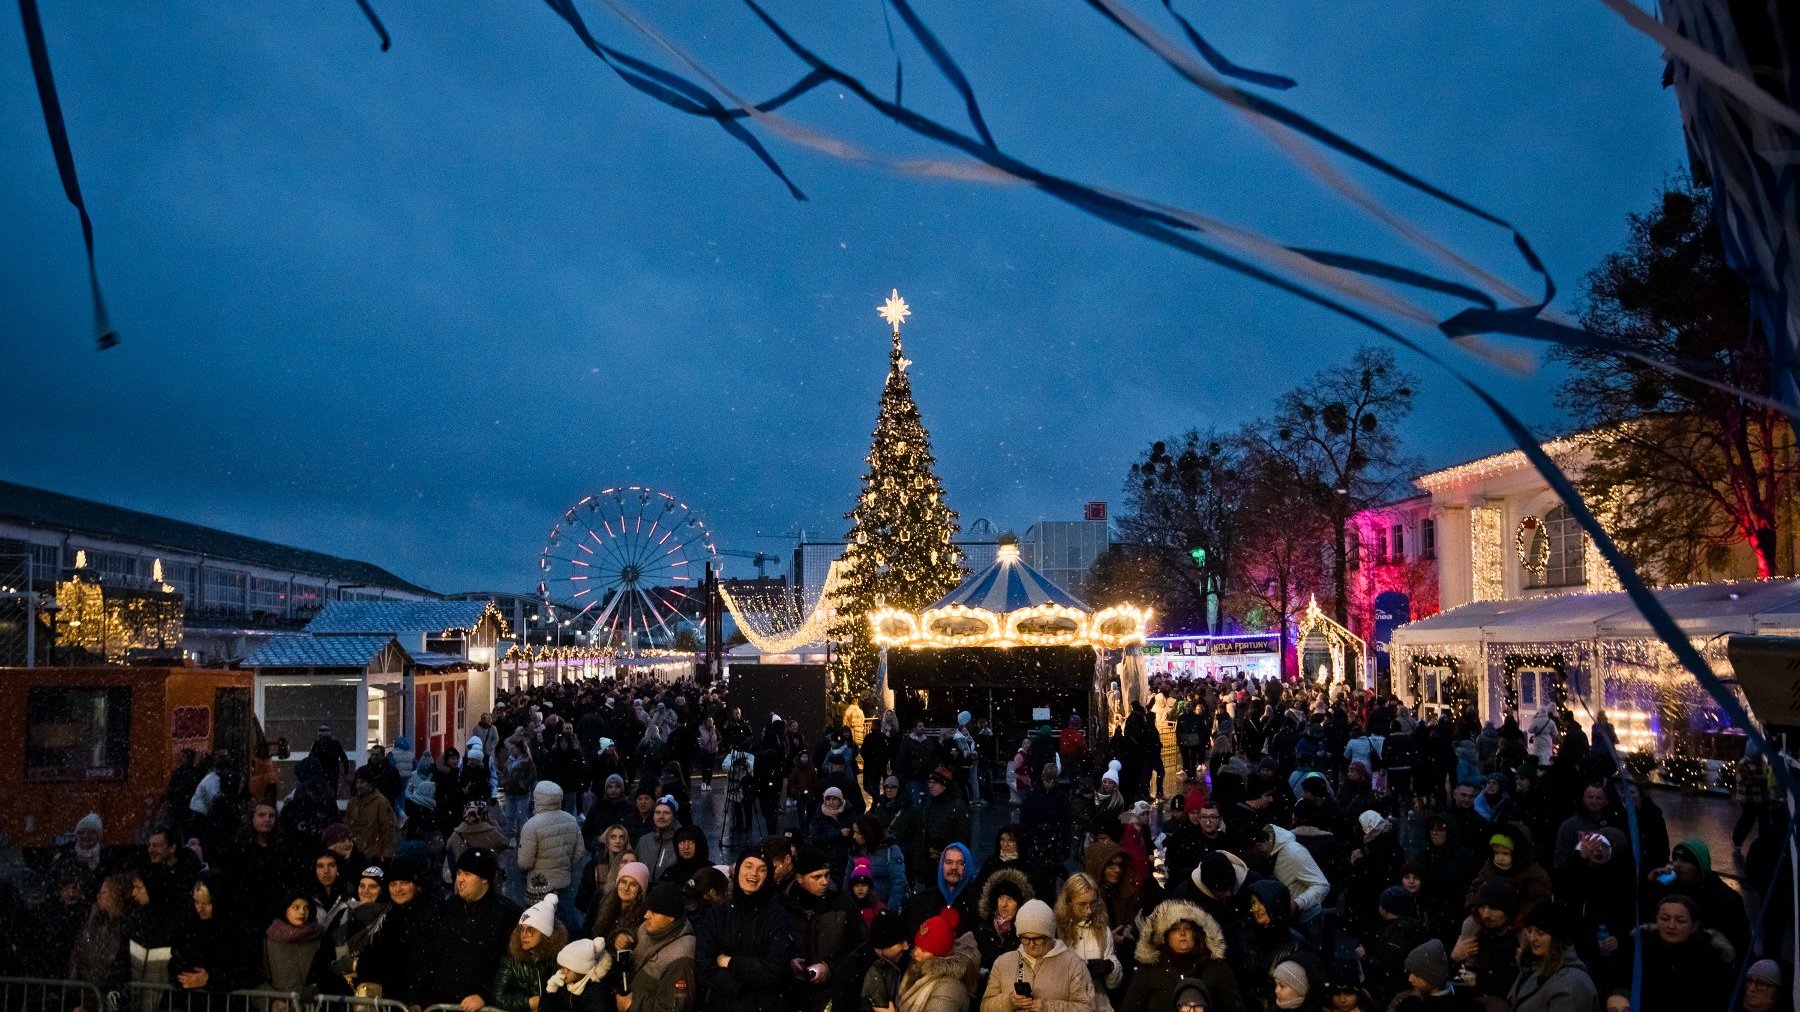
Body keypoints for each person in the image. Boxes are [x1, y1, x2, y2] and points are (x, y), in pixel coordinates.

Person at [694, 849, 798, 1011]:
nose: (754, 874)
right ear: (738, 870)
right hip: (723, 1003)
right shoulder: (717, 914)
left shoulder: (777, 916)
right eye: (748, 866)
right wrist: (739, 984)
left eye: (761, 869)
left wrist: (729, 961)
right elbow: (704, 965)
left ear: (768, 876)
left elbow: (774, 969)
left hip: (766, 1005)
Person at [424, 847, 524, 1012]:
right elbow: (433, 953)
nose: (460, 880)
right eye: (459, 873)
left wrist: (485, 994)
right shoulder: (449, 907)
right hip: (441, 1003)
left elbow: (510, 964)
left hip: (478, 1005)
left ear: (485, 879)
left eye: (468, 874)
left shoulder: (507, 914)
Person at [1118, 899, 1244, 1012]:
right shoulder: (1149, 971)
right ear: (1165, 936)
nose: (1182, 933)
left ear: (1196, 933)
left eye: (1188, 928)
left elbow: (1234, 1007)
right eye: (1175, 929)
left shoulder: (1216, 968)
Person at [979, 897, 1093, 1011]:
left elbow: (1087, 1008)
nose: (1031, 945)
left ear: (1050, 936)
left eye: (1038, 939)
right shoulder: (1002, 963)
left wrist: (1048, 1008)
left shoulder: (1073, 965)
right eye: (1025, 938)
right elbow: (985, 1007)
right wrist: (1008, 1001)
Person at [786, 845, 860, 1012]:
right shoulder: (784, 905)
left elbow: (858, 946)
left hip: (832, 994)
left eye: (826, 875)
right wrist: (789, 963)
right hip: (793, 995)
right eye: (816, 877)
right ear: (799, 878)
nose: (824, 881)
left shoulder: (843, 903)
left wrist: (829, 966)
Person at [1633, 895, 1735, 1012]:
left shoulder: (1713, 958)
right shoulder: (1639, 950)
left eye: (1680, 921)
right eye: (1664, 919)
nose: (1671, 926)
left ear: (1694, 926)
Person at [1505, 903, 1597, 1012]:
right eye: (1530, 931)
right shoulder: (1532, 968)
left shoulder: (1570, 983)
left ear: (1557, 938)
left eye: (1540, 933)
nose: (1532, 938)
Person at [1054, 873, 1122, 1011]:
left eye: (1093, 903)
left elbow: (1113, 984)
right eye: (1082, 905)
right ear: (1068, 902)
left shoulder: (1102, 930)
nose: (1089, 910)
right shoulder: (1056, 930)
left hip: (1097, 1003)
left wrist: (1110, 967)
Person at [625, 882, 698, 1010]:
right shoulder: (652, 927)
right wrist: (621, 936)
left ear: (670, 917)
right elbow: (636, 933)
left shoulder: (682, 958)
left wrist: (630, 1007)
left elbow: (671, 1008)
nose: (646, 915)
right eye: (648, 909)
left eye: (654, 912)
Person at [518, 781, 585, 917]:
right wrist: (567, 864)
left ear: (538, 798)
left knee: (540, 921)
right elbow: (580, 851)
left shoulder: (531, 825)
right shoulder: (571, 820)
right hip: (563, 881)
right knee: (564, 918)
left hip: (539, 885)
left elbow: (525, 863)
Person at [492, 896, 568, 1012]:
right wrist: (529, 1002)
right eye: (522, 929)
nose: (523, 935)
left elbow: (567, 998)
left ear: (545, 933)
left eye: (531, 930)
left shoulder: (561, 959)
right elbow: (498, 996)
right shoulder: (512, 959)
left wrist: (546, 1005)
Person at [899, 907, 979, 1012]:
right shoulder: (918, 967)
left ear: (939, 955)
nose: (915, 953)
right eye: (917, 946)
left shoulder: (950, 989)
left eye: (923, 950)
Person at [848, 814, 909, 913]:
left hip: (883, 905)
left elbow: (898, 881)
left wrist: (890, 910)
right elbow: (848, 877)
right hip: (860, 906)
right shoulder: (855, 849)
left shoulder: (890, 849)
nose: (854, 836)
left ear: (867, 833)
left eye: (857, 833)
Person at [971, 868, 1031, 968]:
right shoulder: (983, 928)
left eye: (1010, 899)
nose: (1004, 904)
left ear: (1019, 904)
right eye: (1001, 897)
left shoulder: (1026, 932)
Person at [540, 938, 613, 1012]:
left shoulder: (598, 990)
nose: (562, 972)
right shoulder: (562, 983)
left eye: (567, 969)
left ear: (580, 970)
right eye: (561, 967)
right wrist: (550, 991)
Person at [346, 769, 399, 861]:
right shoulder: (352, 803)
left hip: (374, 855)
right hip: (355, 855)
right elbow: (348, 827)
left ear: (370, 783)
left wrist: (387, 854)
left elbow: (388, 830)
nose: (359, 786)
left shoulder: (381, 803)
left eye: (363, 782)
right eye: (357, 782)